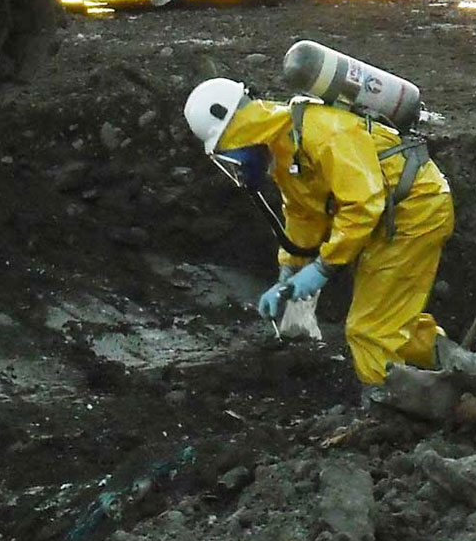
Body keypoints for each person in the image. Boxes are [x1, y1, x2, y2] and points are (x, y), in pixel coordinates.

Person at [183, 77, 459, 386]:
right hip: (393, 213)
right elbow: (303, 215)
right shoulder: (285, 146)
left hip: (415, 209)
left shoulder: (322, 130)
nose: (234, 163)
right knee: (389, 319)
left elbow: (363, 203)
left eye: (228, 151)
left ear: (240, 133)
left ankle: (387, 414)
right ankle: (464, 367)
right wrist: (289, 274)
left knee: (369, 330)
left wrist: (323, 268)